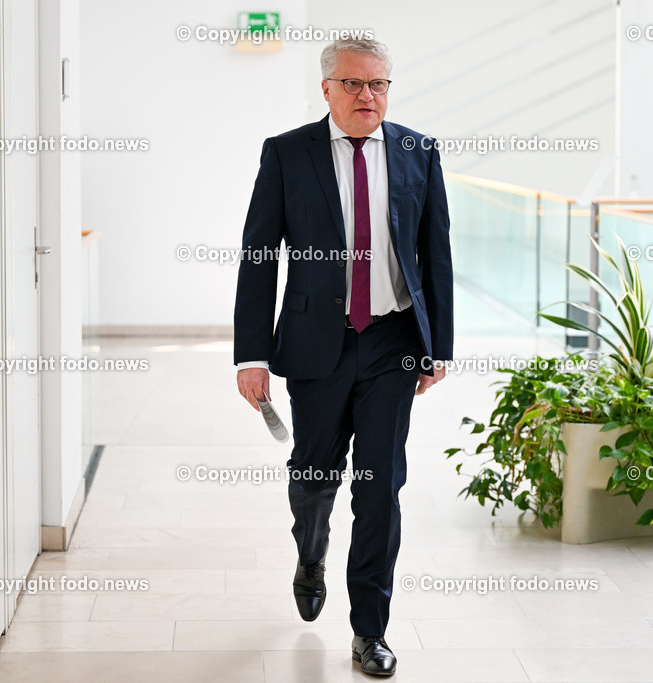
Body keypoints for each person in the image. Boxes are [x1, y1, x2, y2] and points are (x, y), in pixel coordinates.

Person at [233, 38, 452, 677]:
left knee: (381, 491)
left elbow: (434, 255)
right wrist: (251, 354)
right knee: (313, 476)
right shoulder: (287, 154)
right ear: (326, 89)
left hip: (392, 343)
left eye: (379, 84)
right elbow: (258, 256)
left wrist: (439, 347)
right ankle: (311, 551)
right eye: (354, 85)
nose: (367, 97)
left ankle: (369, 632)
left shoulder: (418, 150)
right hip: (313, 346)